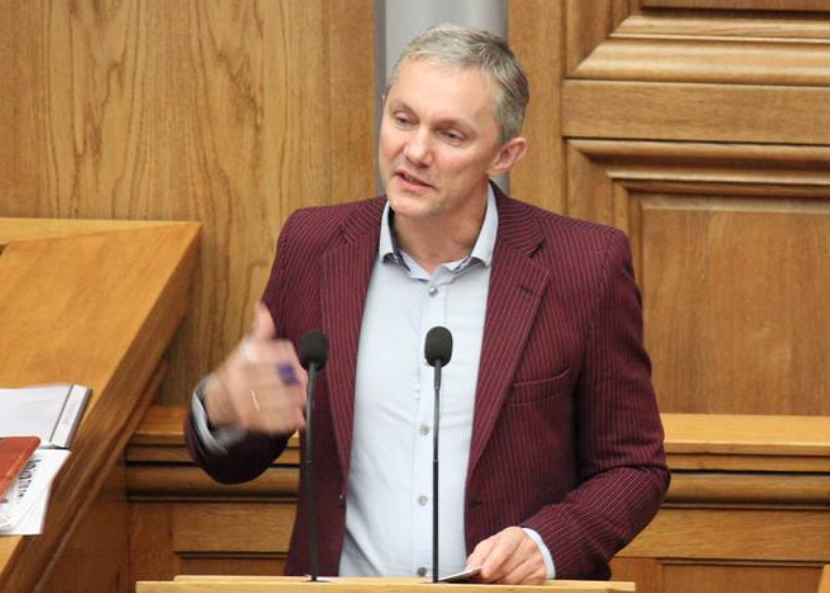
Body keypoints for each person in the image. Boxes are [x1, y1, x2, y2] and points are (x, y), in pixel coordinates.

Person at [186, 24, 669, 585]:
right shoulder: (314, 246)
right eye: (403, 119)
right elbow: (240, 457)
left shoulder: (583, 266)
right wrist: (224, 407)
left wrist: (546, 544)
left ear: (504, 155)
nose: (414, 152)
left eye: (450, 135)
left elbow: (634, 466)